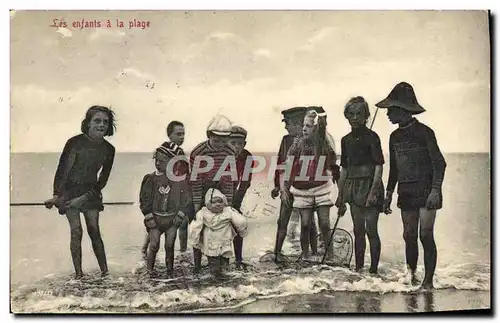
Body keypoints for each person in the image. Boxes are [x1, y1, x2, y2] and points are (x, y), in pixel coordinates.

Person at [377, 81, 447, 290]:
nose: (388, 113)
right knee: (409, 236)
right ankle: (411, 276)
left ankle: (428, 281)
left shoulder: (425, 132)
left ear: (403, 110)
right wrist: (389, 194)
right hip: (406, 191)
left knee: (425, 234)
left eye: (391, 109)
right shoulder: (394, 136)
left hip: (427, 192)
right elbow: (395, 170)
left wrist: (436, 190)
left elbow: (439, 163)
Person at [44, 105, 116, 279]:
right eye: (97, 121)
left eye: (105, 122)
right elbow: (62, 170)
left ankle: (105, 273)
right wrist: (56, 195)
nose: (101, 125)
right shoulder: (74, 143)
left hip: (91, 192)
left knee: (94, 230)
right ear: (88, 123)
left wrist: (84, 198)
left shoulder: (109, 149)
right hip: (69, 192)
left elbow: (102, 181)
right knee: (76, 231)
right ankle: (79, 275)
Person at [336, 97, 385, 274]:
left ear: (366, 116)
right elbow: (344, 170)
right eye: (351, 114)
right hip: (353, 187)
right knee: (358, 230)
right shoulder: (345, 140)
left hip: (370, 185)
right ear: (346, 116)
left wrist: (373, 192)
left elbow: (379, 166)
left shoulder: (373, 138)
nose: (355, 118)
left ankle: (373, 271)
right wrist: (340, 195)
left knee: (371, 230)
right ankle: (358, 269)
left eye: (359, 114)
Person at [284, 109, 340, 261]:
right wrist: (285, 188)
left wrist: (341, 193)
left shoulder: (324, 144)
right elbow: (288, 166)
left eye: (308, 126)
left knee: (325, 224)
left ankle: (330, 255)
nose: (304, 129)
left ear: (316, 128)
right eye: (303, 125)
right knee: (305, 225)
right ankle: (306, 255)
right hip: (302, 191)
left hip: (322, 189)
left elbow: (335, 168)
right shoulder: (298, 144)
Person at [189, 115, 238, 273]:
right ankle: (197, 264)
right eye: (216, 140)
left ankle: (224, 262)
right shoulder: (198, 152)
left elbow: (229, 178)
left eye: (224, 141)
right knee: (200, 225)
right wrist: (197, 204)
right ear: (209, 135)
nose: (220, 145)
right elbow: (195, 180)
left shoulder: (230, 151)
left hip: (222, 190)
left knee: (225, 225)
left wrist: (228, 203)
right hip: (202, 188)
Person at [272, 107, 319, 262]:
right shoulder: (286, 140)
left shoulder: (312, 141)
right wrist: (278, 187)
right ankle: (277, 254)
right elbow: (280, 164)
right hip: (288, 187)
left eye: (288, 123)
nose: (286, 127)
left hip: (305, 187)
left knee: (309, 222)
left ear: (300, 124)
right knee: (282, 220)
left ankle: (313, 254)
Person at [140, 121, 192, 258]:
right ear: (169, 135)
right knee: (177, 222)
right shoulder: (168, 149)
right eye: (178, 134)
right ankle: (182, 251)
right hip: (167, 190)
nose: (182, 137)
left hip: (176, 189)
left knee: (171, 223)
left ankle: (145, 250)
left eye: (183, 134)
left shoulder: (177, 151)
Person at [139, 142, 187, 278]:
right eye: (157, 160)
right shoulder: (151, 178)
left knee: (169, 245)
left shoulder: (179, 180)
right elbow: (144, 199)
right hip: (156, 220)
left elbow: (185, 199)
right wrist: (148, 216)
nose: (158, 163)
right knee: (153, 245)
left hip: (171, 220)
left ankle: (170, 271)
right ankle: (149, 270)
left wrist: (180, 215)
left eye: (163, 161)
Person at [189, 188, 248, 278]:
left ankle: (224, 281)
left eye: (220, 201)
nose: (218, 204)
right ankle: (215, 280)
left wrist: (242, 231)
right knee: (214, 267)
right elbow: (195, 227)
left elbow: (240, 221)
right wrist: (195, 240)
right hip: (211, 244)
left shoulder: (228, 211)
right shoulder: (203, 213)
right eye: (214, 202)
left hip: (225, 243)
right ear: (208, 203)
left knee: (225, 265)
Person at [228, 125, 253, 267]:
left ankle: (238, 259)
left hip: (234, 194)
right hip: (216, 194)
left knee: (238, 222)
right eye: (233, 143)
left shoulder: (247, 157)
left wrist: (235, 203)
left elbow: (245, 182)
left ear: (244, 144)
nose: (236, 147)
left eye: (240, 144)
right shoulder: (222, 155)